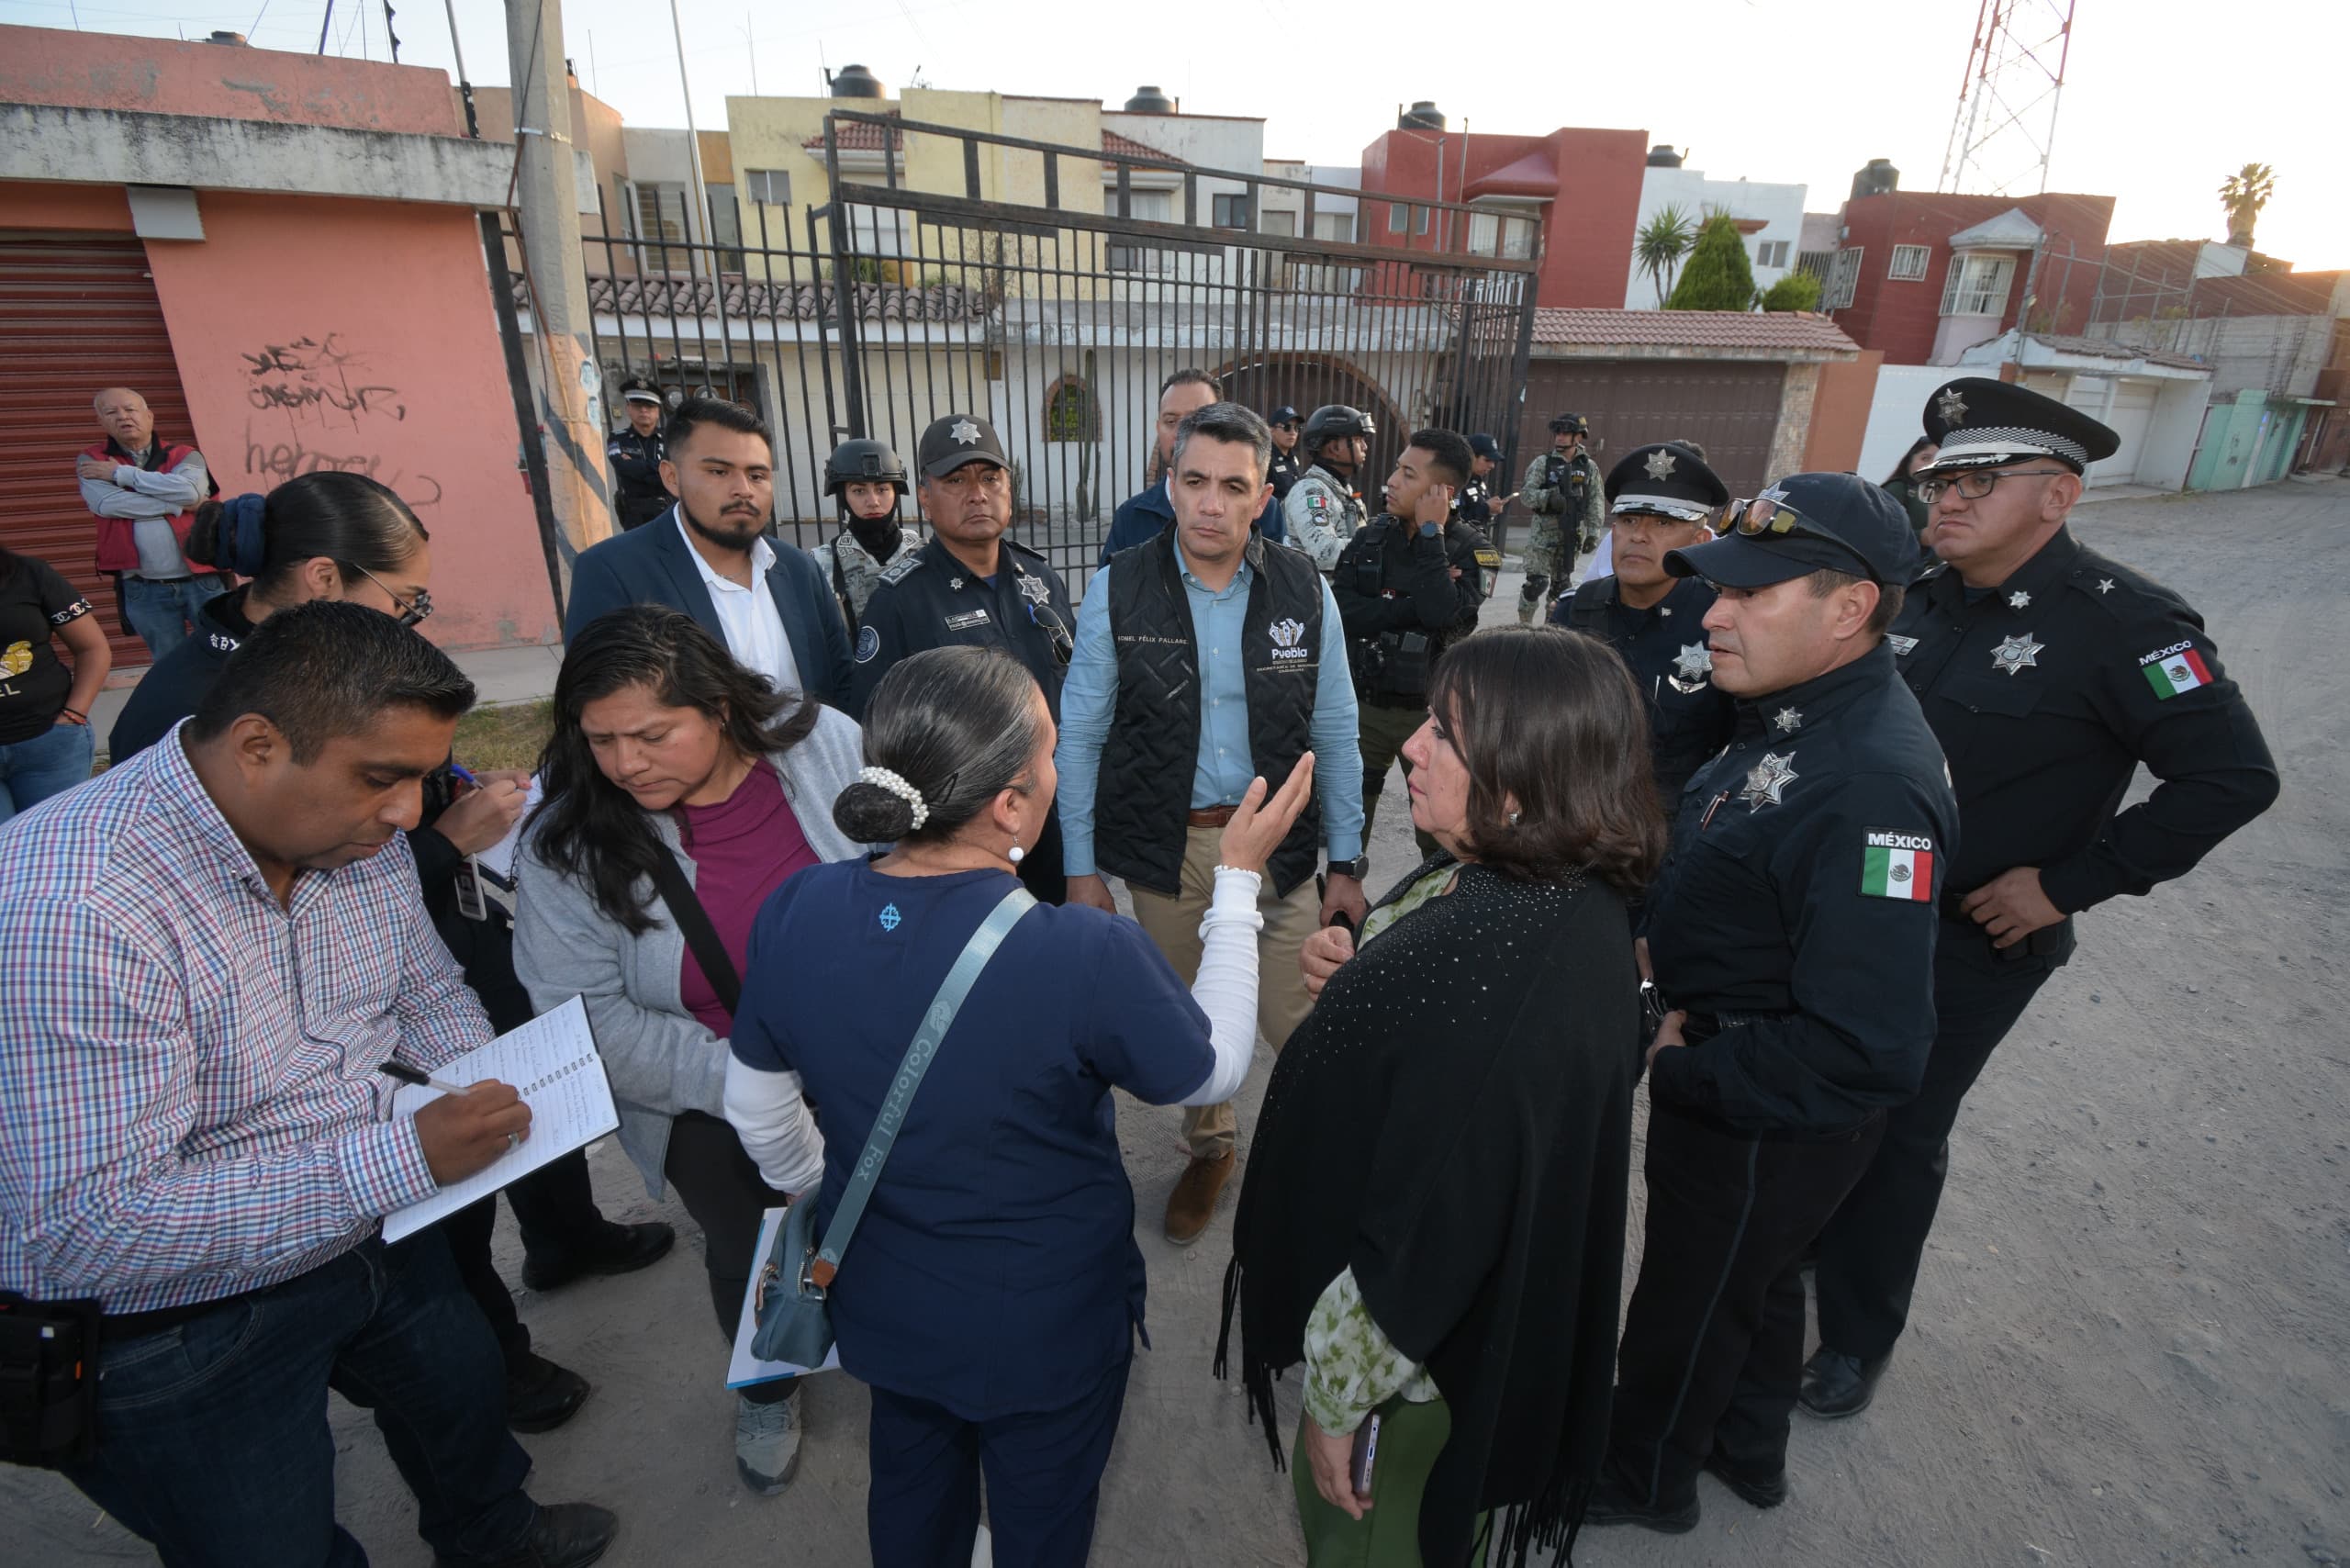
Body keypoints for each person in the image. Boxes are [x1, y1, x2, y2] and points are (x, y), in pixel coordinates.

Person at [0, 600, 617, 1568]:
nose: (409, 815)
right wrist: (400, 1159)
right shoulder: (73, 913)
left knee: (459, 1399)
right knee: (268, 1539)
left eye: (419, 779)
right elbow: (87, 1225)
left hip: (376, 1228)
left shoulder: (347, 834)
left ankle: (495, 1534)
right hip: (180, 1321)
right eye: (381, 778)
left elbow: (422, 986)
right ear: (257, 746)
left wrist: (471, 1082)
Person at [103, 472, 671, 1430]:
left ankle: (554, 1254)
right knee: (425, 1252)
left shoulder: (344, 751)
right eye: (405, 601)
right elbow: (111, 1215)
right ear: (325, 578)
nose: (400, 811)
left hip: (408, 1011)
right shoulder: (145, 818)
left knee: (490, 1134)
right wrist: (442, 840)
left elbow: (415, 954)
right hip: (283, 1176)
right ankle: (492, 1364)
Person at [723, 645, 1315, 1568]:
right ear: (1009, 803)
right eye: (1049, 752)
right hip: (1044, 1325)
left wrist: (840, 1191)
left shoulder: (797, 906)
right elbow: (1213, 1070)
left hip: (884, 1302)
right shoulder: (1080, 953)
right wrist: (1236, 883)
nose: (1058, 769)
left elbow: (754, 1105)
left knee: (911, 1489)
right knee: (1042, 1516)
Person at [1800, 378, 2280, 1421]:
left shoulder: (2128, 624)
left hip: (1965, 939)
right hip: (1844, 911)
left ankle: (1854, 1335)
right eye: (1942, 476)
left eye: (1980, 479)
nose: (1947, 496)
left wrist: (2068, 885)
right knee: (1818, 1094)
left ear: (2057, 496)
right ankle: (1803, 1245)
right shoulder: (1912, 595)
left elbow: (2232, 778)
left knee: (1900, 1132)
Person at [1225, 626, 1665, 1567]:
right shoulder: (1536, 883)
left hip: (1409, 1387)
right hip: (1444, 1353)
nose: (1412, 750)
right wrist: (1358, 971)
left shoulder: (1500, 967)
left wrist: (1336, 1401)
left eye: (1445, 735)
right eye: (1425, 721)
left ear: (1521, 778)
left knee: (1365, 1541)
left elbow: (1426, 1233)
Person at [1587, 473, 1957, 1535]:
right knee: (1755, 1276)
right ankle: (1747, 1450)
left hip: (1759, 1100)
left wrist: (1684, 1068)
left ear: (1849, 608)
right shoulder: (1797, 707)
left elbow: (1868, 1044)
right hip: (1746, 1078)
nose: (1713, 614)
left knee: (1691, 1295)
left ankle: (1643, 1479)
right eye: (1720, 589)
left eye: (1750, 594)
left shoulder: (1871, 782)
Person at [513, 606, 870, 1495]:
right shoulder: (565, 844)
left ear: (719, 706)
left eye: (651, 735)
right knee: (757, 1247)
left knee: (893, 1216)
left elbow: (904, 863)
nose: (625, 763)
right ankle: (768, 1383)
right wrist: (758, 1083)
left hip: (868, 1055)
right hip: (700, 1087)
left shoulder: (825, 742)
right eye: (601, 739)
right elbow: (589, 1021)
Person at [1058, 401, 1369, 1245]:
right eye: (1195, 480)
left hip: (1279, 847)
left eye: (1234, 487)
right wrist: (1082, 871)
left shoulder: (1304, 588)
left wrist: (1347, 862)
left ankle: (1323, 1156)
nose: (1210, 503)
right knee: (1192, 1024)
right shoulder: (1119, 586)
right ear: (1170, 484)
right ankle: (1211, 1145)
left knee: (1307, 1021)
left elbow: (1336, 730)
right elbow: (1079, 736)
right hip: (1170, 848)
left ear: (1263, 498)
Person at [848, 414, 1076, 902]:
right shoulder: (901, 600)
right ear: (925, 497)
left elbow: (1072, 693)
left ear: (1009, 488)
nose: (977, 495)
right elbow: (872, 726)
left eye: (990, 478)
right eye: (956, 481)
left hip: (1050, 815)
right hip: (960, 833)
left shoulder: (1040, 579)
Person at [565, 397, 852, 709]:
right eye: (718, 471)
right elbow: (599, 709)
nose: (743, 489)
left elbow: (841, 683)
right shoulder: (612, 573)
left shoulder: (799, 569)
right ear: (671, 477)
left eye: (757, 475)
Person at [1331, 427, 1492, 862]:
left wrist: (1430, 536)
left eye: (1407, 474)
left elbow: (1442, 616)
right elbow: (1342, 610)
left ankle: (1441, 899)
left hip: (1431, 715)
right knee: (1347, 823)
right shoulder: (1370, 538)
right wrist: (1411, 606)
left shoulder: (1471, 550)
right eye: (1397, 469)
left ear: (1443, 492)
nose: (1391, 482)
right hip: (1363, 708)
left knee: (1440, 831)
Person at [1555, 442, 1737, 807]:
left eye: (1663, 523)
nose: (1638, 536)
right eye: (1628, 520)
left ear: (1700, 541)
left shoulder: (1721, 623)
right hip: (1575, 812)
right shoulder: (1574, 613)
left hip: (1672, 823)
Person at [78, 386, 225, 660]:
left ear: (149, 416)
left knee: (226, 656)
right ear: (101, 421)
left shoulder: (185, 454)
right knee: (169, 663)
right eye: (111, 412)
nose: (123, 416)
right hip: (144, 588)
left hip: (202, 581)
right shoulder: (92, 460)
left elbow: (190, 492)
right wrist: (175, 504)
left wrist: (121, 474)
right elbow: (108, 504)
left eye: (130, 409)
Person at [1098, 369, 1284, 563]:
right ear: (1158, 428)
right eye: (1171, 421)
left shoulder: (1266, 511)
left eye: (1198, 420)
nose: (1181, 433)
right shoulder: (1131, 516)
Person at [0, 545, 109, 827]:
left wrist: (75, 714)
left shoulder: (29, 573)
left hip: (49, 743)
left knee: (54, 844)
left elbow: (92, 648)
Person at [809, 437, 920, 635]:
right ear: (843, 497)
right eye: (859, 491)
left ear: (896, 492)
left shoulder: (921, 552)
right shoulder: (821, 562)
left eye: (882, 489)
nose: (873, 501)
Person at [1516, 412, 1605, 622]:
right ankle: (1524, 628)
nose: (1560, 437)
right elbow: (1526, 495)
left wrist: (1593, 533)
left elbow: (1596, 500)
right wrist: (1548, 497)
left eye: (1566, 433)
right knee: (1536, 584)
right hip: (1542, 535)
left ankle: (1551, 629)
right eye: (1557, 433)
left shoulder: (1588, 467)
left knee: (1561, 587)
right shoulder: (1543, 463)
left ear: (1579, 437)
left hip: (1571, 534)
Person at [1282, 404, 1378, 572]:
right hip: (1317, 588)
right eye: (1358, 440)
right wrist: (1377, 542)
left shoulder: (1339, 489)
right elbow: (1324, 553)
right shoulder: (1310, 491)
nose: (1365, 447)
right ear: (1334, 448)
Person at [608, 376, 673, 531]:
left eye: (649, 406)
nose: (643, 410)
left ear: (657, 411)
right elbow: (622, 466)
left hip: (667, 509)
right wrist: (658, 468)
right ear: (628, 409)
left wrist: (636, 467)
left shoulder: (671, 438)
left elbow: (676, 469)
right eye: (637, 406)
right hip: (635, 513)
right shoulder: (617, 438)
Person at [1451, 431, 1514, 541]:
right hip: (1460, 543)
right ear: (1471, 456)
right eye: (1487, 460)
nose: (1492, 465)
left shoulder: (1477, 481)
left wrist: (1492, 509)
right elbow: (1455, 520)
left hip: (1477, 540)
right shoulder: (1456, 482)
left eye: (1494, 461)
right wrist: (1486, 508)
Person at [1880, 434, 1941, 535]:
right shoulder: (1897, 488)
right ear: (1910, 460)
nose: (1931, 465)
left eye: (1938, 462)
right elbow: (1880, 530)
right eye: (1925, 458)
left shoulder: (1943, 497)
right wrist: (1921, 536)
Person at [1266, 404, 1305, 500]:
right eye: (1287, 427)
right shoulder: (1265, 459)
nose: (1293, 432)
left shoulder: (1292, 458)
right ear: (1271, 430)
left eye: (1296, 428)